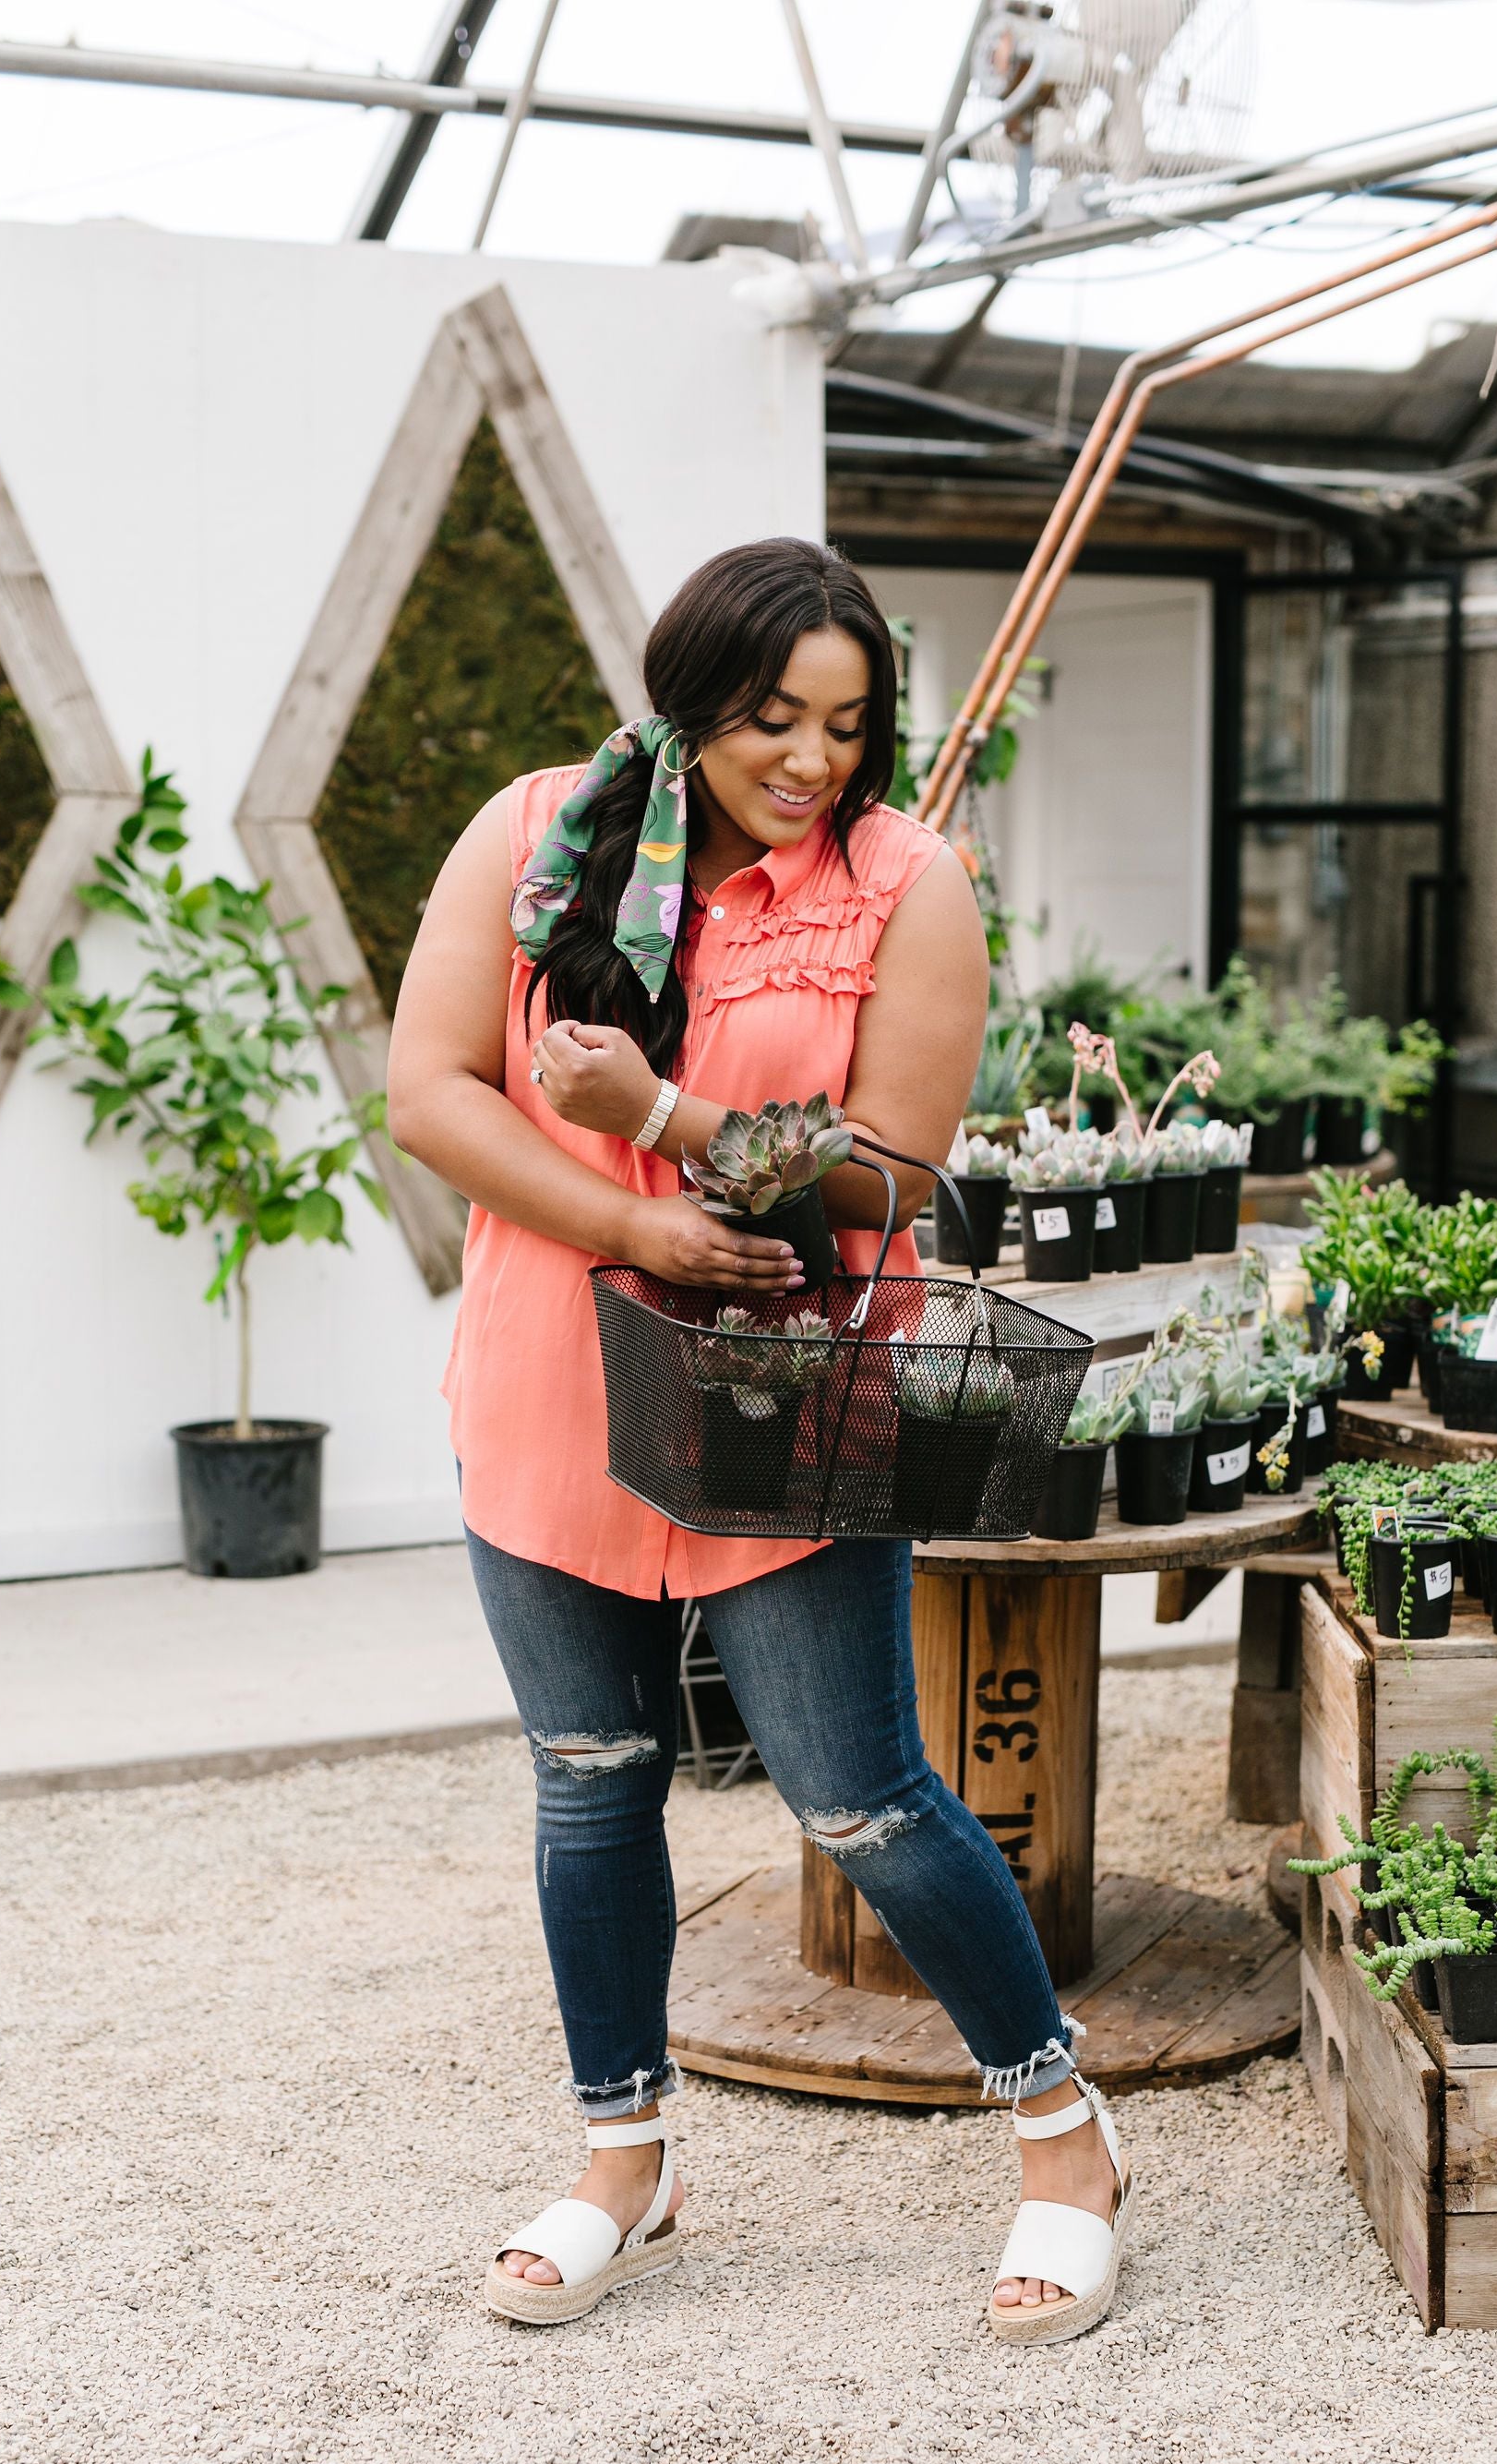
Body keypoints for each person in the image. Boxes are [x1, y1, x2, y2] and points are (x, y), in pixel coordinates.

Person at [386, 537, 1130, 2345]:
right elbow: (427, 1092)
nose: (809, 757)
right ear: (690, 692)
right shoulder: (540, 831)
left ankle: (1062, 2136)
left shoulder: (904, 880)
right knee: (587, 1775)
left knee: (861, 1797)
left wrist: (669, 1118)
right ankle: (623, 2162)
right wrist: (631, 1219)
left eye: (847, 724)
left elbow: (893, 1172)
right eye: (770, 718)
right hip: (554, 1380)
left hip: (784, 1398)